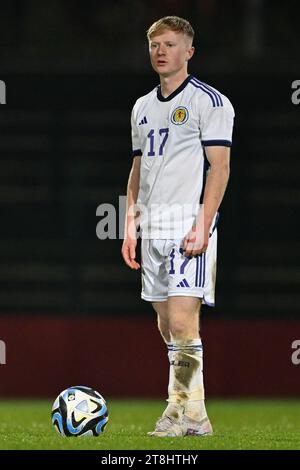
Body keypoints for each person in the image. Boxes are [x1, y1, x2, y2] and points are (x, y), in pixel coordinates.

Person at [122, 16, 234, 437]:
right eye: (155, 45)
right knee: (168, 324)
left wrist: (203, 226)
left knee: (185, 322)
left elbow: (220, 169)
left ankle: (176, 412)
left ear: (189, 51)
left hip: (188, 223)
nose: (161, 52)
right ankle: (198, 417)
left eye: (170, 44)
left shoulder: (211, 102)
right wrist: (130, 225)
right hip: (151, 227)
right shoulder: (141, 106)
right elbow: (137, 170)